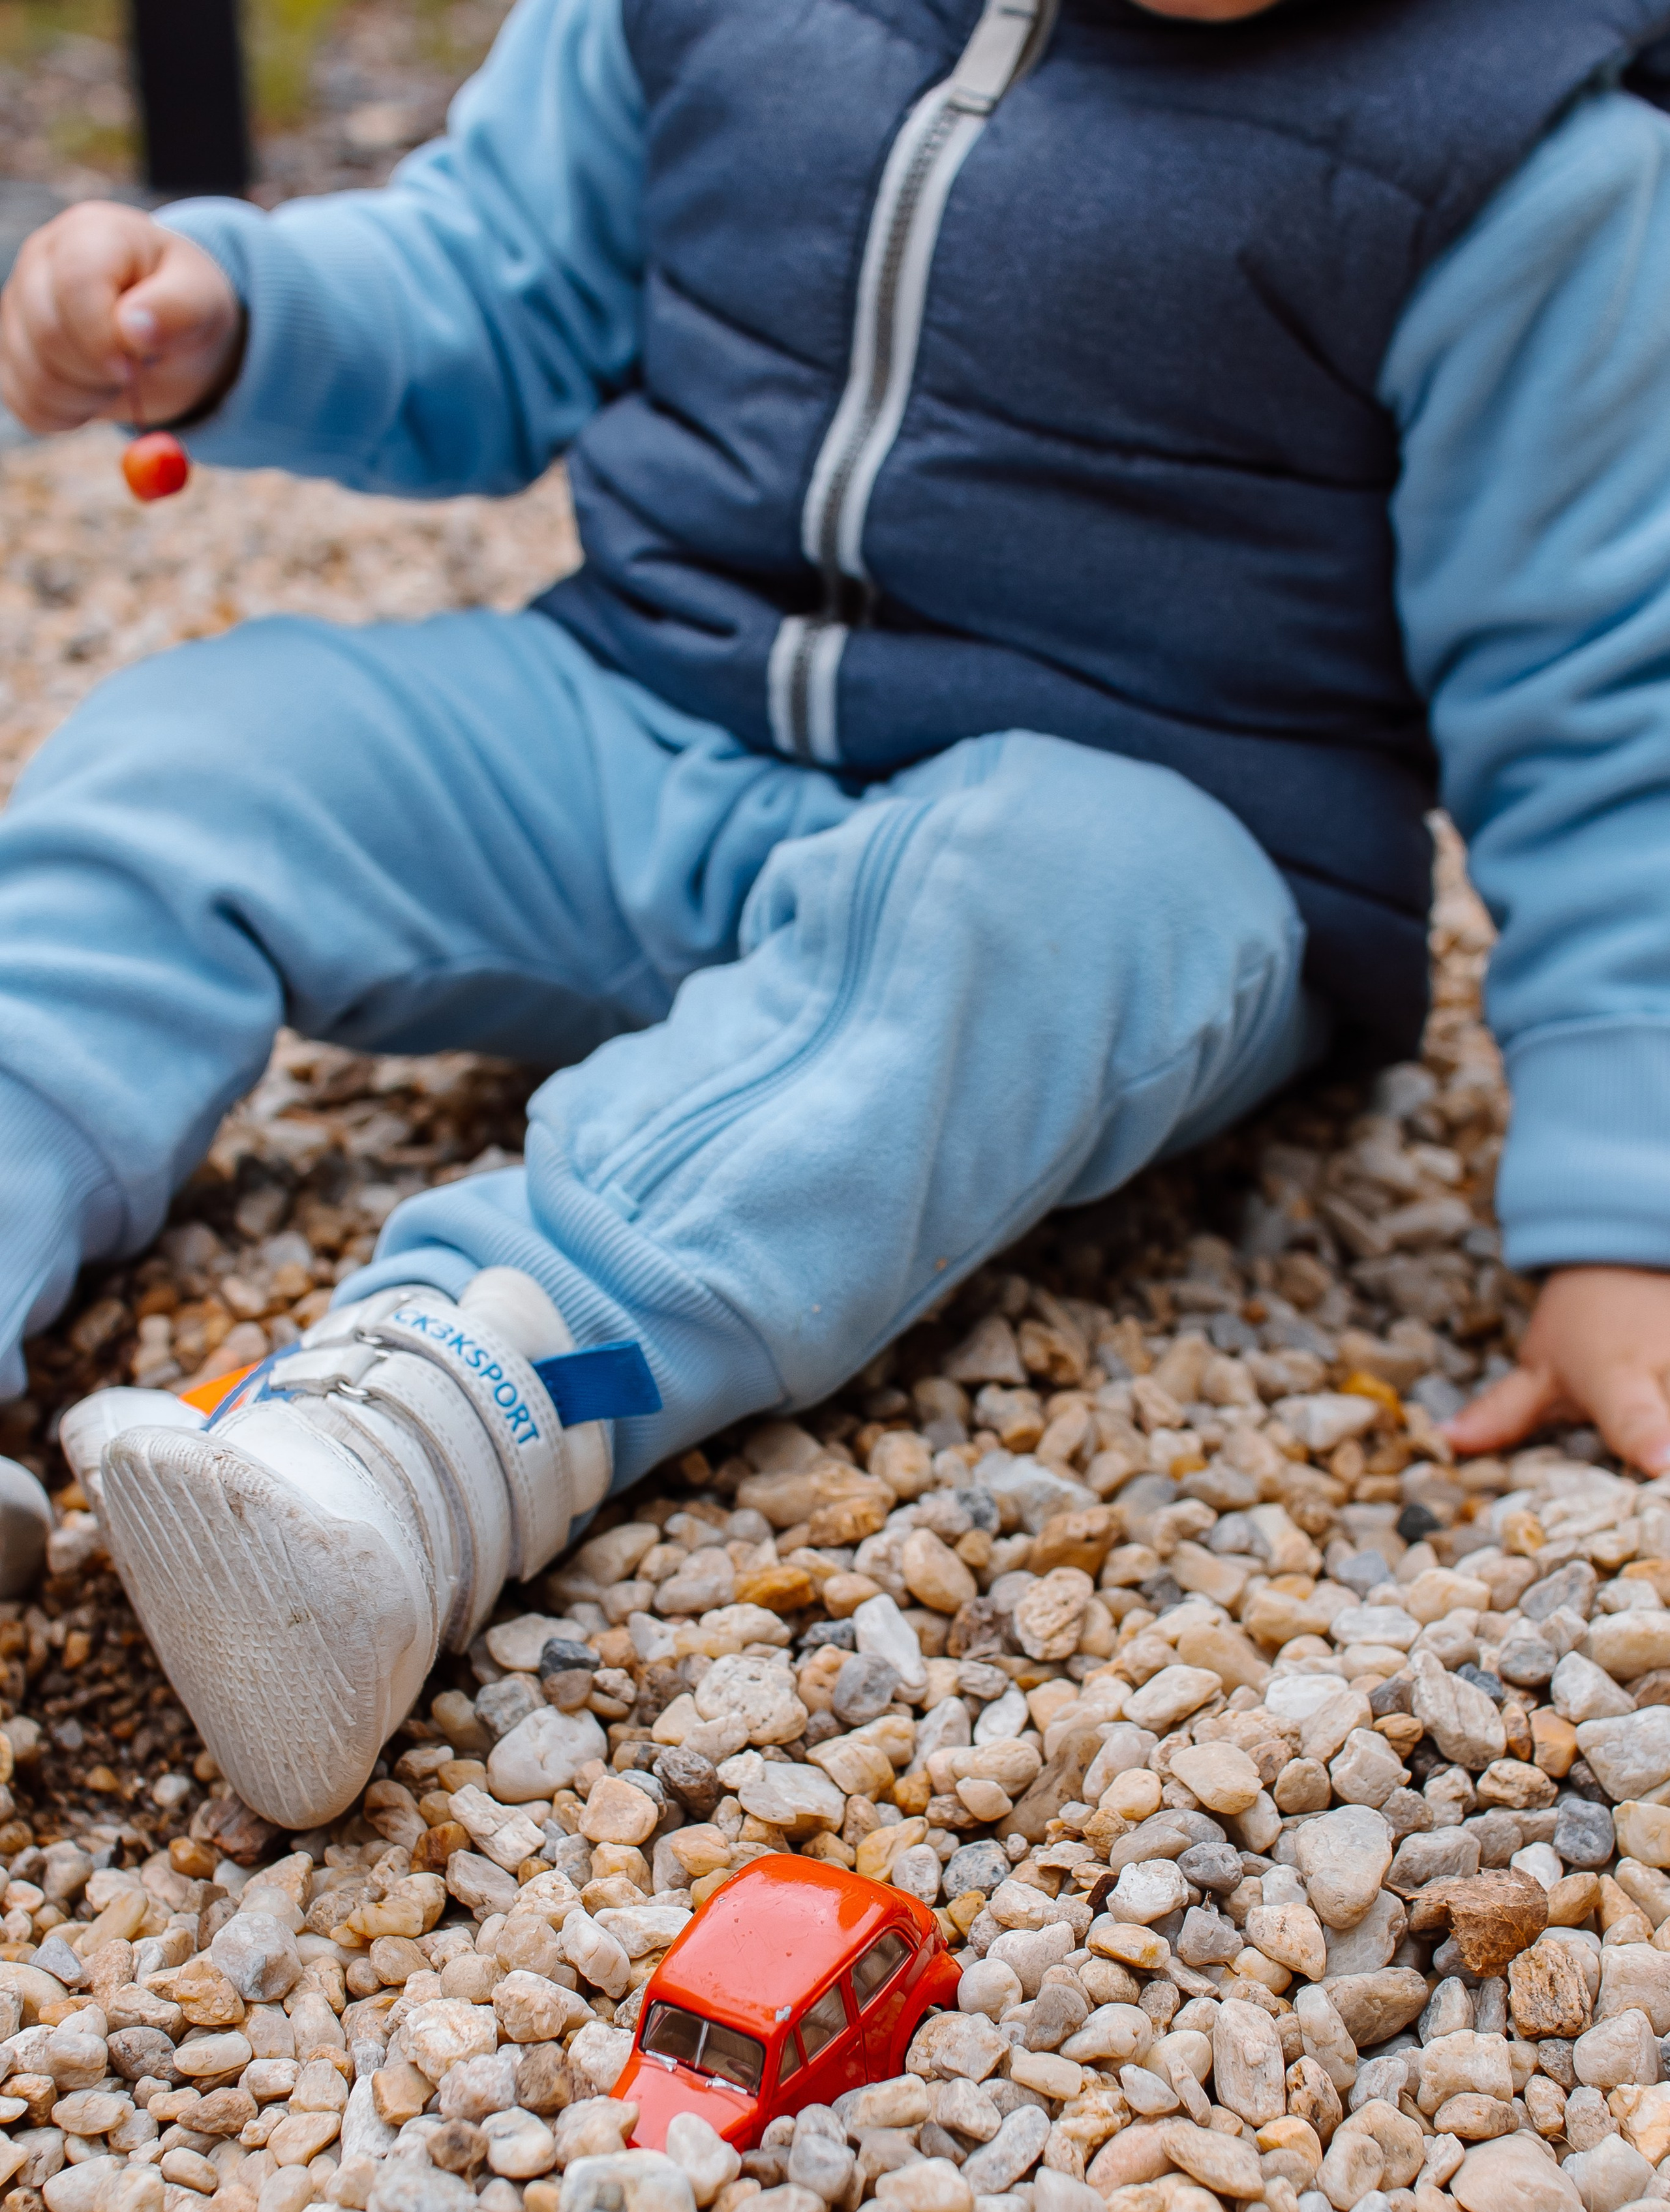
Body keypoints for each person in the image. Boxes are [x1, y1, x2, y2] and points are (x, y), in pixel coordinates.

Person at [3, 0, 1670, 1825]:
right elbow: (494, 274)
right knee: (192, 756)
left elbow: (1606, 702)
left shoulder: (1525, 158)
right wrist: (240, 313)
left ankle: (432, 1434)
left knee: (1035, 897)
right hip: (648, 714)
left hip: (1120, 842)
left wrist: (1624, 1208)